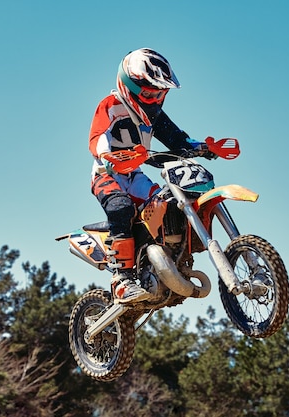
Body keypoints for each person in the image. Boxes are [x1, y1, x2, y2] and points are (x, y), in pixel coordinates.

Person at [88, 48, 213, 303]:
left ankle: (168, 258)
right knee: (121, 207)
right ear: (129, 86)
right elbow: (97, 136)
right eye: (149, 93)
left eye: (160, 93)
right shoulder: (111, 105)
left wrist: (201, 147)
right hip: (107, 173)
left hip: (135, 174)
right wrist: (105, 155)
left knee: (168, 204)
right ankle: (121, 280)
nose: (155, 98)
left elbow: (175, 138)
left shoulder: (154, 113)